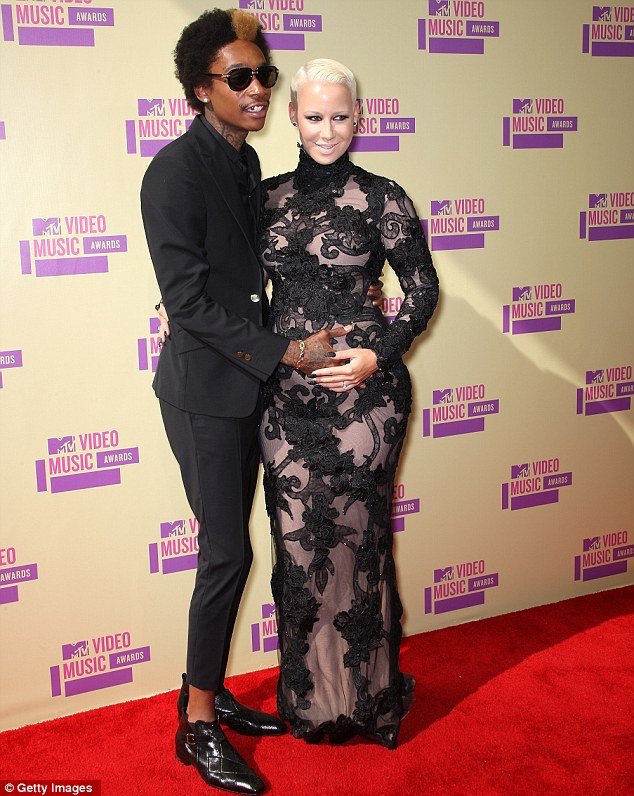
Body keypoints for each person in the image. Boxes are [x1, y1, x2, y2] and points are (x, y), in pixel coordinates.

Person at [141, 11, 379, 794]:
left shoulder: (245, 164)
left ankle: (204, 694)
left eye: (263, 75)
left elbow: (262, 275)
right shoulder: (175, 173)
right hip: (205, 396)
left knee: (240, 550)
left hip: (249, 389)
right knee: (227, 554)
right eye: (238, 77)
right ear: (198, 88)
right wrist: (288, 352)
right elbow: (188, 304)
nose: (256, 89)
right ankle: (197, 722)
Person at [257, 58, 439, 749]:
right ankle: (313, 700)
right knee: (299, 549)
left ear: (358, 118)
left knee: (360, 544)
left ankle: (368, 699)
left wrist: (376, 355)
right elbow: (235, 290)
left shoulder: (383, 198)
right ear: (292, 117)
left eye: (339, 116)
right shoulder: (264, 199)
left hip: (368, 398)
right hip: (286, 399)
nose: (327, 130)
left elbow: (422, 289)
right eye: (313, 116)